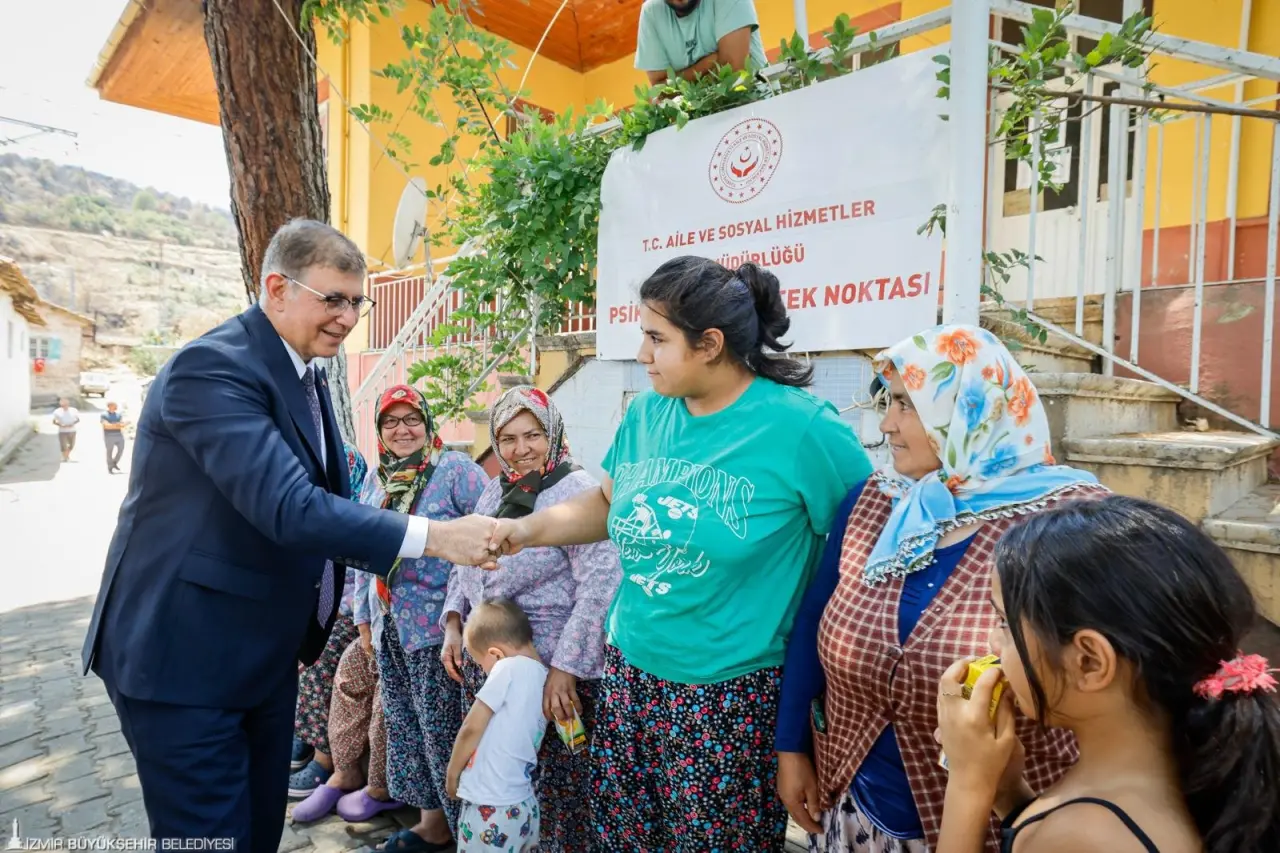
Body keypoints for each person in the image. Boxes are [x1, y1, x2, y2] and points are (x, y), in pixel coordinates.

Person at [80, 219, 498, 853]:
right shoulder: (211, 370)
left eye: (360, 301)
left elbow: (327, 505)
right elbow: (292, 509)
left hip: (259, 653)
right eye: (334, 298)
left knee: (252, 832)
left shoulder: (303, 370)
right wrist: (438, 537)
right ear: (277, 287)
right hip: (184, 660)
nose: (350, 317)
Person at [488, 256, 874, 851]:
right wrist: (526, 529)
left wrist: (802, 729)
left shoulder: (802, 430)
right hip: (630, 675)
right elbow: (608, 504)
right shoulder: (648, 414)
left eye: (656, 338)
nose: (642, 355)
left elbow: (861, 550)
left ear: (710, 344)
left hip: (729, 699)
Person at [773, 324, 1109, 853]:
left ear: (969, 411)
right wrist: (791, 746)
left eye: (907, 405)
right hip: (855, 809)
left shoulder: (1068, 523)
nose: (886, 424)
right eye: (889, 403)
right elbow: (815, 618)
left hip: (1001, 828)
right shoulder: (876, 502)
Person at [936, 495, 1280, 853]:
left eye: (1005, 624)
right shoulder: (1189, 767)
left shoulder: (1083, 836)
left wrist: (968, 785)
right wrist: (1007, 792)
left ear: (1090, 662)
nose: (992, 644)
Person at [442, 385, 621, 852]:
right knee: (503, 775)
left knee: (559, 791)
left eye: (533, 435)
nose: (520, 450)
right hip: (494, 664)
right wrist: (453, 623)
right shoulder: (494, 491)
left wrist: (565, 669)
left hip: (551, 675)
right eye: (508, 438)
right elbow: (464, 561)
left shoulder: (576, 492)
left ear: (553, 433)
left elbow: (602, 581)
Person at [352, 384, 489, 853]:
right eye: (391, 421)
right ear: (380, 431)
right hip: (393, 626)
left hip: (440, 632)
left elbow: (487, 543)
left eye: (412, 419)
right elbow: (362, 550)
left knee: (445, 732)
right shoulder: (378, 478)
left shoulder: (455, 471)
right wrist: (365, 620)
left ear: (427, 425)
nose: (402, 429)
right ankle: (433, 824)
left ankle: (467, 832)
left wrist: (461, 616)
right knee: (409, 728)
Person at [290, 443, 404, 822]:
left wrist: (354, 615)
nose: (401, 431)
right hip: (357, 609)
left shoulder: (361, 499)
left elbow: (359, 562)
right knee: (300, 641)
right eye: (391, 423)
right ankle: (319, 749)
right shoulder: (372, 484)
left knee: (325, 655)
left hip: (385, 614)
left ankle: (326, 759)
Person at [446, 599, 549, 853]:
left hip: (490, 807)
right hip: (525, 805)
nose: (484, 671)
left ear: (495, 654)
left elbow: (472, 726)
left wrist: (451, 773)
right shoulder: (545, 677)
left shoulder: (506, 668)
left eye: (482, 665)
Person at [635, 0, 768, 84]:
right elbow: (659, 90)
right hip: (702, 124)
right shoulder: (651, 12)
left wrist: (677, 82)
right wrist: (707, 64)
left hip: (758, 111)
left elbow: (734, 70)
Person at [101, 402, 127, 473]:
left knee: (121, 450)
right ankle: (110, 467)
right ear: (109, 406)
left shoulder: (118, 415)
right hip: (109, 435)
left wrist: (113, 425)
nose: (116, 407)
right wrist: (116, 425)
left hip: (119, 434)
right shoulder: (104, 415)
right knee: (109, 451)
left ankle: (114, 462)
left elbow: (123, 424)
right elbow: (106, 426)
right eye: (114, 405)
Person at [52, 397, 79, 462]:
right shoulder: (57, 411)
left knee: (71, 445)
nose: (64, 405)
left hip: (72, 430)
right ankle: (65, 457)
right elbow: (54, 421)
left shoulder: (73, 410)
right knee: (64, 445)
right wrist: (61, 425)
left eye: (65, 403)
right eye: (63, 404)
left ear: (68, 403)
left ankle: (66, 456)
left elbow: (77, 419)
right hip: (62, 431)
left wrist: (73, 423)